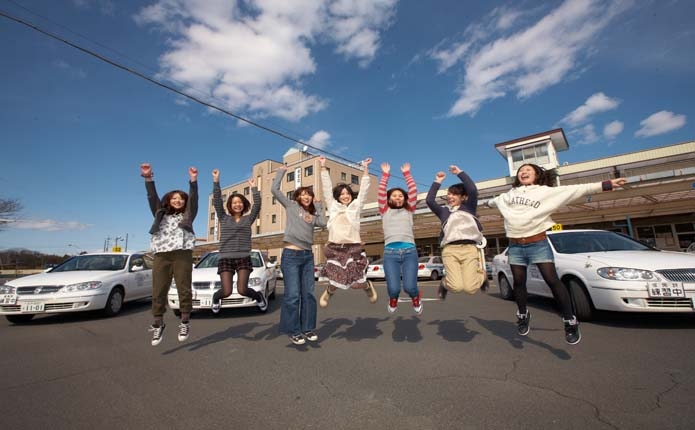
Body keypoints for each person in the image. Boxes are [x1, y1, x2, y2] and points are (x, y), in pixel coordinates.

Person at [487, 163, 627, 345]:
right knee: (519, 282)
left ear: (537, 175)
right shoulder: (507, 196)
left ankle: (570, 320)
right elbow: (491, 202)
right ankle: (522, 314)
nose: (524, 172)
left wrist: (606, 185)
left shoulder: (546, 192)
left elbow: (576, 189)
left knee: (552, 280)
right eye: (521, 170)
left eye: (529, 170)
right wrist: (481, 202)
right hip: (515, 245)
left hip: (538, 243)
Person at [141, 162, 198, 346]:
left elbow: (194, 200)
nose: (178, 200)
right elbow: (152, 197)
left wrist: (193, 181)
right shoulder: (160, 213)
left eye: (181, 198)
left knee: (183, 287)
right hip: (162, 255)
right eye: (174, 198)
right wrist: (149, 178)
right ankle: (158, 324)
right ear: (168, 200)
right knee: (158, 289)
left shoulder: (188, 215)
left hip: (182, 254)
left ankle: (185, 322)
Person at [271, 164, 327, 345]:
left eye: (309, 194)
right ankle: (293, 330)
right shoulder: (291, 206)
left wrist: (318, 205)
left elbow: (324, 222)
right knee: (293, 295)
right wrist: (281, 172)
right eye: (303, 194)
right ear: (298, 196)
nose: (306, 197)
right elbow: (274, 189)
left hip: (307, 257)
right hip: (291, 256)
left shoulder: (313, 215)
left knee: (308, 295)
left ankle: (307, 328)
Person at [318, 155, 377, 307]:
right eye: (342, 194)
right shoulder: (332, 206)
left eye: (348, 193)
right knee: (335, 277)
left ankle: (367, 286)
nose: (345, 196)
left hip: (353, 247)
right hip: (335, 247)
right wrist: (323, 167)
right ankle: (329, 292)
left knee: (356, 280)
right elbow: (326, 189)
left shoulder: (356, 206)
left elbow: (364, 190)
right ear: (338, 196)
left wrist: (365, 169)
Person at [426, 165, 487, 302]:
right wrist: (437, 181)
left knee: (470, 289)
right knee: (456, 287)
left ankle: (482, 275)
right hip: (450, 250)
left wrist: (459, 173)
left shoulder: (469, 208)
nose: (450, 196)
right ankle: (444, 283)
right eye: (448, 194)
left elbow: (472, 189)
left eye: (454, 194)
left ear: (463, 197)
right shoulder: (443, 211)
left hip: (469, 249)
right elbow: (429, 201)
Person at [210, 169, 267, 314]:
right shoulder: (223, 218)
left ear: (243, 205)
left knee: (242, 290)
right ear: (230, 205)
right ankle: (215, 299)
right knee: (226, 291)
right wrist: (216, 181)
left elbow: (257, 204)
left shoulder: (248, 219)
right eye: (234, 202)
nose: (237, 205)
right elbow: (217, 201)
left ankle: (259, 297)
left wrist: (254, 188)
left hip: (243, 257)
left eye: (240, 202)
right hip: (226, 257)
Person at [378, 162, 422, 315]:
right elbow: (381, 192)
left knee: (409, 286)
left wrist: (407, 174)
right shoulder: (385, 210)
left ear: (405, 199)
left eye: (400, 195)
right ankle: (393, 299)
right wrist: (385, 175)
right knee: (393, 288)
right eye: (394, 195)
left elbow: (414, 190)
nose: (397, 197)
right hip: (390, 253)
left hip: (410, 252)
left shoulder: (409, 210)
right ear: (389, 199)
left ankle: (416, 297)